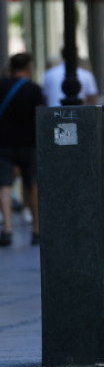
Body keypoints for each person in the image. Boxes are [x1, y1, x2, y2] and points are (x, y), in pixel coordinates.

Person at [0, 54, 46, 247]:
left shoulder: (1, 85)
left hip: (3, 143)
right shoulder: (33, 89)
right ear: (28, 68)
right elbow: (41, 115)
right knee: (32, 184)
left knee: (4, 185)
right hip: (29, 143)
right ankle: (36, 230)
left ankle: (7, 228)